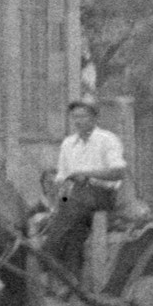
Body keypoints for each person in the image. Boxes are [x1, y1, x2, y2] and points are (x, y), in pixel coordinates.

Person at [40, 98, 132, 286]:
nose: (78, 121)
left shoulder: (107, 139)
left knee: (71, 209)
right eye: (75, 117)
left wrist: (87, 175)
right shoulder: (68, 144)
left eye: (83, 116)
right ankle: (74, 285)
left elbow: (118, 172)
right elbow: (62, 180)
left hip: (101, 194)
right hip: (73, 196)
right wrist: (60, 201)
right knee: (73, 234)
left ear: (94, 118)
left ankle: (44, 257)